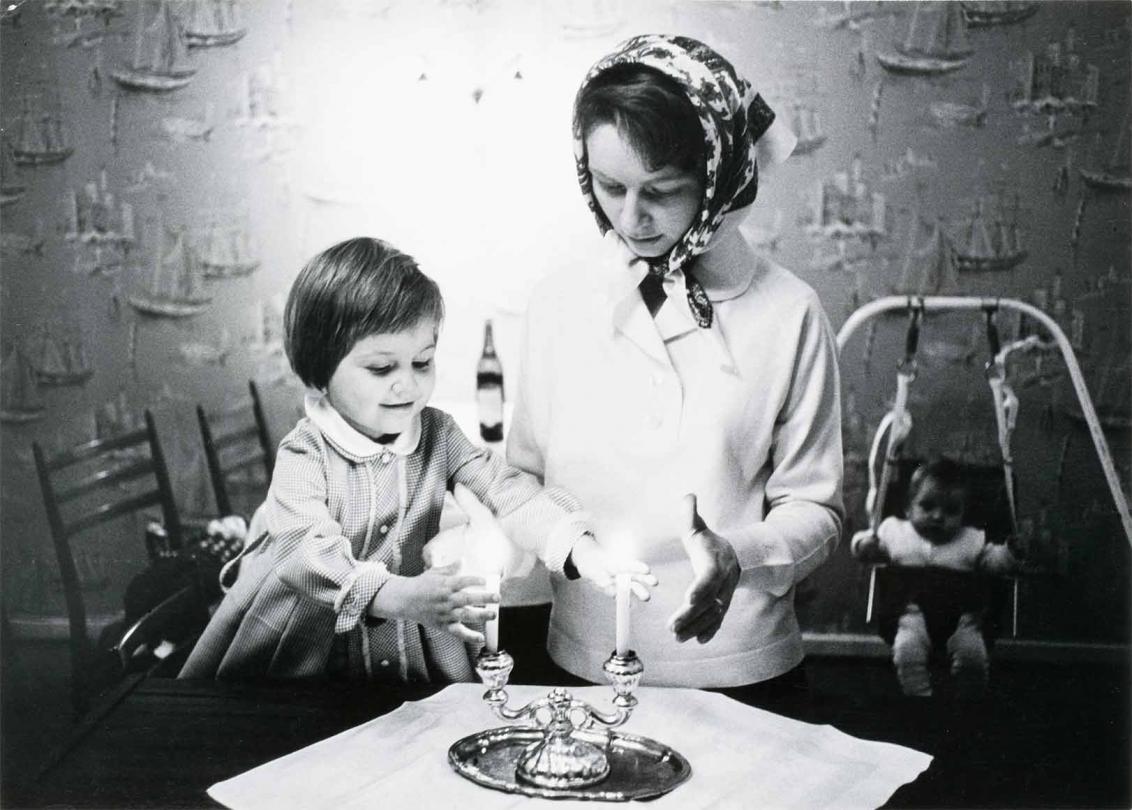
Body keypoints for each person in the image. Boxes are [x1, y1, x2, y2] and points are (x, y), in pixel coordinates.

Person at [506, 35, 844, 698]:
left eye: (662, 191)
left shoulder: (790, 313)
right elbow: (520, 481)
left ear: (717, 176)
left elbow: (817, 509)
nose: (631, 218)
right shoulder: (559, 305)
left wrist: (736, 556)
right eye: (610, 187)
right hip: (580, 664)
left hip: (743, 670)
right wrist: (571, 543)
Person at [180, 237, 649, 682]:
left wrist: (579, 548)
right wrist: (395, 594)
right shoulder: (305, 453)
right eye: (382, 368)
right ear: (320, 374)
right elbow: (305, 552)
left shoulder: (438, 433)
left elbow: (507, 492)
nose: (407, 384)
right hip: (309, 651)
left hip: (411, 634)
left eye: (422, 362)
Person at [850, 457, 1022, 697]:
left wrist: (1011, 552)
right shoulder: (894, 531)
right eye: (927, 506)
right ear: (909, 508)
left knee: (973, 656)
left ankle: (968, 700)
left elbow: (993, 562)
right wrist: (864, 546)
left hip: (962, 619)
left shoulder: (971, 539)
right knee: (906, 651)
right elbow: (865, 546)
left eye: (951, 510)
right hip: (912, 617)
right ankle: (920, 699)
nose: (938, 516)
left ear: (963, 514)